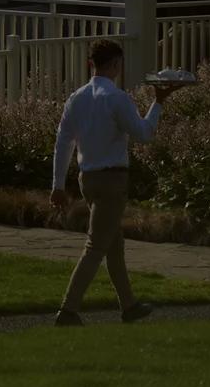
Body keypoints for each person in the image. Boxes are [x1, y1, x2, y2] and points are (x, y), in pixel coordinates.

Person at [50, 38, 177, 326]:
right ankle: (68, 310)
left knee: (113, 244)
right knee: (96, 245)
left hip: (88, 179)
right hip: (112, 179)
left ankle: (129, 305)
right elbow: (143, 133)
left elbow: (63, 143)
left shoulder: (76, 98)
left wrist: (58, 185)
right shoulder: (117, 98)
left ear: (90, 64)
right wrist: (158, 102)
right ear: (117, 65)